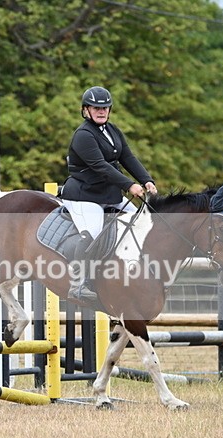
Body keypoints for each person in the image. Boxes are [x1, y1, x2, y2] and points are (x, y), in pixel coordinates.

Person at [61, 86, 158, 305]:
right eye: (96, 108)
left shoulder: (112, 131)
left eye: (105, 108)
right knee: (93, 234)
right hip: (83, 196)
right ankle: (78, 284)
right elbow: (101, 166)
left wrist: (146, 179)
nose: (101, 111)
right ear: (86, 110)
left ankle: (130, 274)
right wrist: (129, 185)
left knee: (142, 224)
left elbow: (128, 158)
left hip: (107, 194)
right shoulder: (83, 135)